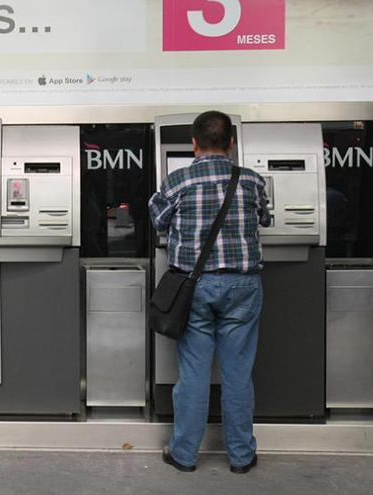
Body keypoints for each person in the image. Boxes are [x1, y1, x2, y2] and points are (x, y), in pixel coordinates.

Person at [149, 111, 270, 474]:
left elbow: (158, 219)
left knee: (195, 373)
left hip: (196, 286)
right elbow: (265, 217)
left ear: (193, 144)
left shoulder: (177, 180)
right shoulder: (251, 180)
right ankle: (241, 455)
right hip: (243, 286)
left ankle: (184, 453)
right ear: (232, 143)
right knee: (238, 374)